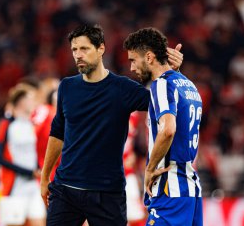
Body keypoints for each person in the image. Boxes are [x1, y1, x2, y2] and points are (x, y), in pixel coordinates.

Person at [40, 24, 183, 226]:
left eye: (84, 48)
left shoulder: (123, 88)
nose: (78, 55)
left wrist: (172, 73)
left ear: (101, 49)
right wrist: (45, 177)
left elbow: (165, 100)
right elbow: (57, 133)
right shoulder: (67, 87)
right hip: (66, 190)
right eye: (74, 49)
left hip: (107, 193)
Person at [123, 27, 203, 226]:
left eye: (133, 60)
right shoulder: (189, 85)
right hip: (190, 187)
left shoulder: (160, 84)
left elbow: (168, 129)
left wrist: (149, 169)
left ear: (149, 57)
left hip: (169, 186)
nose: (132, 68)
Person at [0, 85, 46, 226]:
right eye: (31, 99)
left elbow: (33, 153)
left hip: (32, 188)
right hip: (13, 188)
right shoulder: (5, 125)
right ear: (21, 102)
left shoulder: (31, 125)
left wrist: (39, 169)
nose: (34, 102)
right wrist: (28, 172)